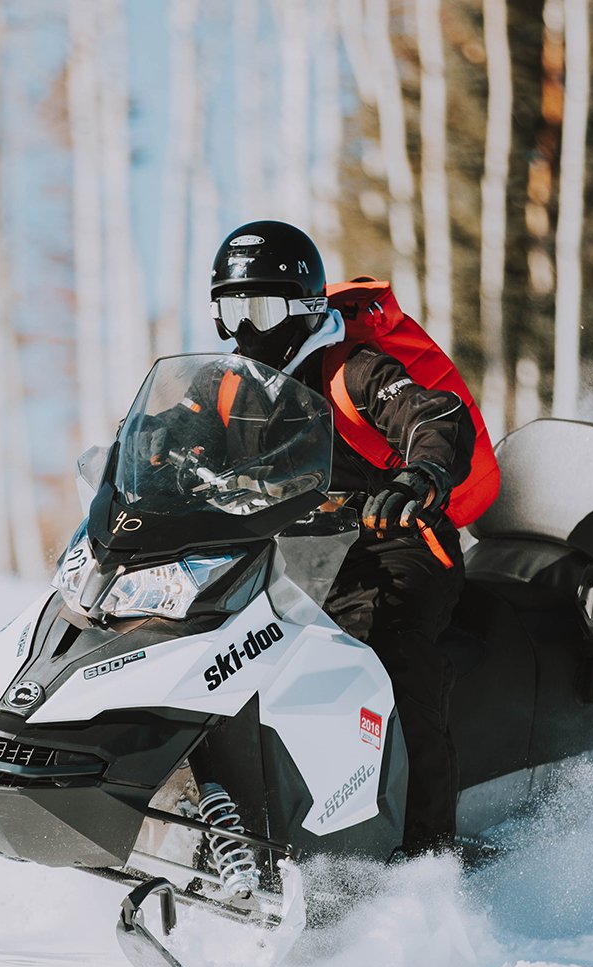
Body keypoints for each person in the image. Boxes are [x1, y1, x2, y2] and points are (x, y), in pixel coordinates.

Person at [203, 219, 476, 859]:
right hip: (292, 560)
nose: (244, 329)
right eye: (230, 309)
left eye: (260, 309)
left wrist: (420, 474)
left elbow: (432, 415)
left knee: (387, 658)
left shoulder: (351, 368)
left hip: (397, 547)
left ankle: (426, 854)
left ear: (300, 310)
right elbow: (170, 435)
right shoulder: (229, 386)